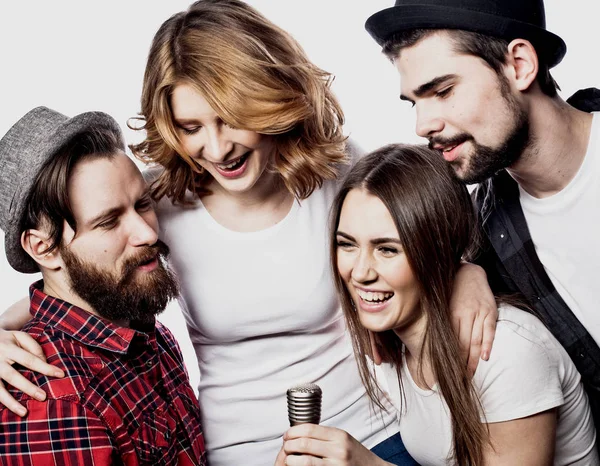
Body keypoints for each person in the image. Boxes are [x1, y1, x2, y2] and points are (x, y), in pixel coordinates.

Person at [0, 2, 497, 465]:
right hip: (237, 451)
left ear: (268, 100)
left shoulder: (335, 170)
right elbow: (68, 286)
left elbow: (421, 228)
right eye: (190, 126)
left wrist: (465, 270)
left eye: (231, 118)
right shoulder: (155, 202)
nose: (216, 149)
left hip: (375, 432)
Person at [278, 143, 596, 465]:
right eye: (347, 244)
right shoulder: (394, 339)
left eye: (387, 249)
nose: (360, 272)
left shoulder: (505, 351)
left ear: (437, 250)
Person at [365, 0, 600, 428]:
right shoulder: (488, 233)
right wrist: (464, 269)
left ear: (520, 65)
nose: (422, 125)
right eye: (413, 101)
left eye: (443, 91)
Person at [0, 107, 206, 465]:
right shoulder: (54, 401)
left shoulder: (142, 329)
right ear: (44, 248)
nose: (147, 233)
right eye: (108, 222)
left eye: (142, 204)